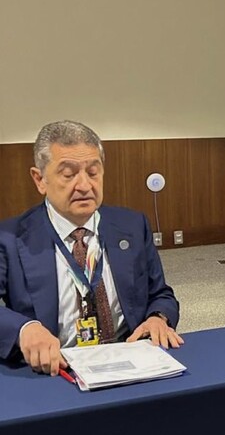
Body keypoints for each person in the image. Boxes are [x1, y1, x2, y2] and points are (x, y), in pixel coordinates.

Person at [0, 120, 183, 376]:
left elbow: (161, 294)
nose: (85, 185)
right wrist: (23, 329)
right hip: (56, 369)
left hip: (129, 360)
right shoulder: (9, 238)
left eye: (93, 172)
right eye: (68, 174)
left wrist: (158, 318)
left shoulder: (132, 226)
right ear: (40, 179)